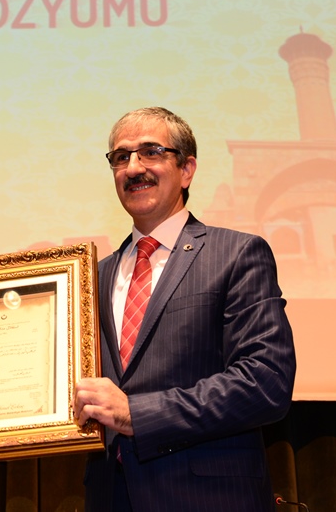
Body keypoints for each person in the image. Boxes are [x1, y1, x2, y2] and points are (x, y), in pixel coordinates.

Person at [73, 106, 296, 512]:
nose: (133, 168)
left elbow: (266, 382)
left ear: (187, 169)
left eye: (151, 152)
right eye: (121, 157)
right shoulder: (90, 279)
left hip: (209, 499)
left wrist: (136, 414)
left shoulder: (236, 254)